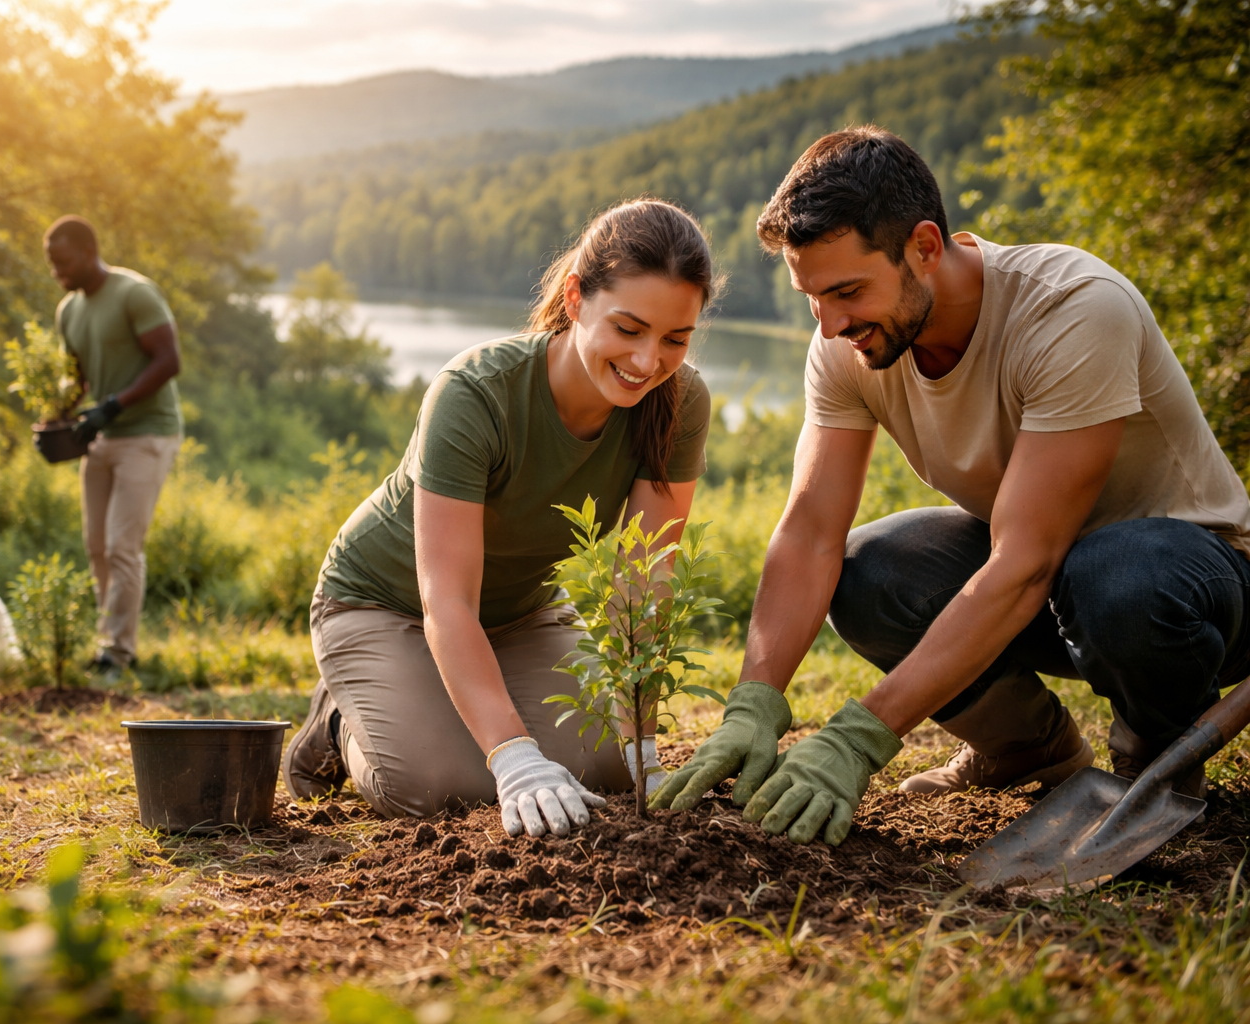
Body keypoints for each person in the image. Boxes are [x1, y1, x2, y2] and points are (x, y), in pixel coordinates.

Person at [652, 126, 1250, 846]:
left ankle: (1156, 761)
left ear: (925, 249)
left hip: (1192, 591)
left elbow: (1026, 563)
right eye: (813, 297)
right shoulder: (849, 345)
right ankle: (1029, 750)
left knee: (1117, 573)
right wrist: (753, 700)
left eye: (847, 290)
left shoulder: (1072, 309)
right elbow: (811, 530)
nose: (833, 323)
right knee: (872, 570)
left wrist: (860, 736)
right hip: (1049, 579)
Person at [280, 199, 716, 838]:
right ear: (575, 299)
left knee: (607, 766)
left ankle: (450, 711)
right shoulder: (476, 393)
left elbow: (642, 581)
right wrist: (512, 755)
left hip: (521, 612)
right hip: (384, 602)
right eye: (628, 329)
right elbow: (447, 600)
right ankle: (341, 721)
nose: (649, 362)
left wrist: (641, 743)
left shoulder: (679, 403)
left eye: (675, 338)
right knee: (442, 785)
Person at [41, 215, 183, 675]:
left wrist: (113, 406)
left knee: (123, 545)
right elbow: (79, 376)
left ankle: (117, 654)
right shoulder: (69, 311)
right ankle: (108, 642)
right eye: (51, 264)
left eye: (63, 262)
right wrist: (57, 419)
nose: (57, 272)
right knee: (97, 545)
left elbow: (168, 360)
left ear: (87, 252)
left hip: (147, 432)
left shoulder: (133, 293)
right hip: (101, 436)